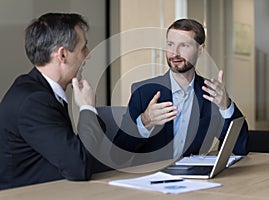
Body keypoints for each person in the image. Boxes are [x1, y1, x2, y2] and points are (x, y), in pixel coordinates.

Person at [113, 19, 249, 165]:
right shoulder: (143, 93)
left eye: (184, 45)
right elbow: (117, 155)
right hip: (149, 180)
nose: (174, 53)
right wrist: (145, 121)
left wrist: (226, 107)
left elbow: (241, 148)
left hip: (194, 180)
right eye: (170, 44)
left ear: (201, 50)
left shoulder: (211, 94)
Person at [0, 13, 109, 190]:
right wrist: (88, 107)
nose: (88, 56)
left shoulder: (37, 88)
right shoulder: (34, 101)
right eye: (84, 48)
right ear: (63, 54)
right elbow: (79, 168)